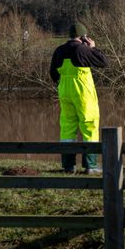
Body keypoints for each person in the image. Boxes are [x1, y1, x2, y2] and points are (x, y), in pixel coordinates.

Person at [50, 23, 107, 173]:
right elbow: (103, 61)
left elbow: (53, 74)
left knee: (67, 127)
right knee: (89, 125)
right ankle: (90, 166)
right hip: (82, 92)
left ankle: (69, 166)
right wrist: (93, 47)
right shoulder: (83, 49)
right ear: (83, 37)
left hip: (64, 91)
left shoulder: (59, 50)